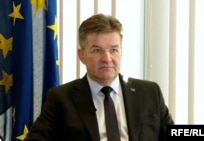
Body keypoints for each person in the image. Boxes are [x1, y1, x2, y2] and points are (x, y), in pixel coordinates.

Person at [24, 13, 174, 141]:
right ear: (82, 55)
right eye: (97, 50)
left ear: (121, 51)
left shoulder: (149, 92)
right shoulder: (60, 99)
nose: (107, 58)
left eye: (113, 50)